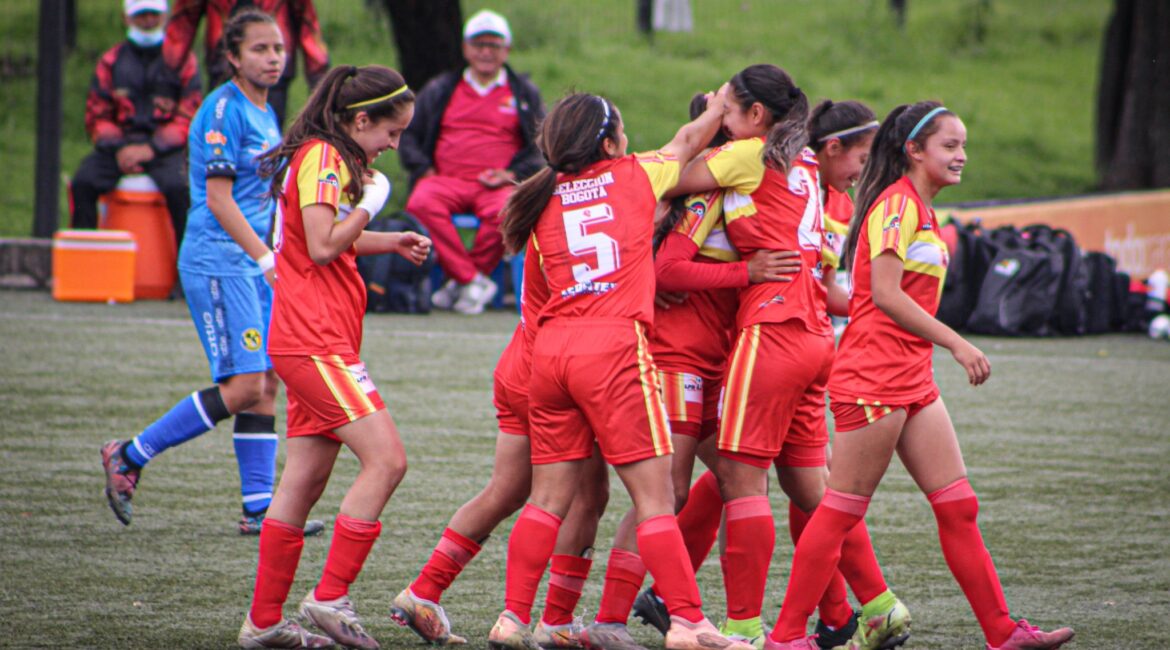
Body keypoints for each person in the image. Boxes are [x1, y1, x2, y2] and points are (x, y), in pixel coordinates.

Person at [765, 102, 1075, 650]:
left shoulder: (922, 211)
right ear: (914, 150)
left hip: (912, 378)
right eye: (950, 146)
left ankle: (1004, 634)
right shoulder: (896, 205)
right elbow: (883, 295)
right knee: (839, 512)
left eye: (962, 145)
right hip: (872, 379)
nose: (961, 156)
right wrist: (955, 342)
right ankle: (785, 638)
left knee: (959, 506)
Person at [487, 89, 752, 650]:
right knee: (657, 499)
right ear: (608, 143)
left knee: (547, 500)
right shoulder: (634, 175)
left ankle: (512, 619)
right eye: (623, 133)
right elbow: (686, 143)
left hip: (552, 352)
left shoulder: (541, 198)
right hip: (612, 348)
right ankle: (688, 623)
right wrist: (715, 107)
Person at [656, 65, 900, 649]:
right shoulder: (810, 168)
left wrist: (707, 122)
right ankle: (880, 606)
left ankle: (741, 628)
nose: (727, 121)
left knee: (739, 485)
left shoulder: (751, 153)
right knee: (813, 490)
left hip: (772, 330)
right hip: (817, 335)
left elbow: (668, 177)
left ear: (754, 116)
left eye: (732, 110)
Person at [99, 9, 324, 539]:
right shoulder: (223, 110)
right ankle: (130, 455)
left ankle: (259, 508)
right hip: (219, 259)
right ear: (232, 57)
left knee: (265, 382)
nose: (273, 58)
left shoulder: (266, 112)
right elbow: (220, 200)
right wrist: (268, 259)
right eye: (260, 50)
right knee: (245, 385)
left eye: (278, 49)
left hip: (249, 262)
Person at [587, 95, 800, 650]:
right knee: (668, 489)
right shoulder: (705, 195)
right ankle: (609, 619)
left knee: (737, 478)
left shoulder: (747, 192)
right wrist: (746, 272)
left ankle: (681, 602)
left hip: (715, 360)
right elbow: (665, 269)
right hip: (678, 358)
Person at [237, 63, 431, 649]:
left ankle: (263, 625)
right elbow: (323, 246)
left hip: (317, 338)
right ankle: (329, 597)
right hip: (314, 340)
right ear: (360, 119)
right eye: (389, 134)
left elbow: (318, 238)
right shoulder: (324, 156)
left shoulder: (332, 159)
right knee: (388, 461)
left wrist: (388, 239)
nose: (393, 147)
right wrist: (373, 206)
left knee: (303, 482)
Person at [389, 239, 610, 649]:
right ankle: (552, 621)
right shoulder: (590, 204)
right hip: (558, 371)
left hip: (520, 360)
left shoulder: (550, 208)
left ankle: (423, 591)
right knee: (583, 499)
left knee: (506, 490)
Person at [399, 9, 546, 315]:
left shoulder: (523, 93)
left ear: (506, 50)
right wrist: (425, 170)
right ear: (465, 49)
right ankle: (472, 280)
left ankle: (462, 281)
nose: (486, 52)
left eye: (494, 45)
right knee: (421, 201)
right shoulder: (441, 89)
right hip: (445, 180)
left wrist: (511, 173)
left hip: (497, 185)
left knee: (508, 210)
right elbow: (408, 135)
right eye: (479, 45)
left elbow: (542, 145)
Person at [71, 0, 200, 250]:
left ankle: (184, 277)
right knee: (83, 182)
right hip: (119, 146)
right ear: (126, 18)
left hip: (166, 149)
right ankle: (85, 267)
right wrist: (120, 148)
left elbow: (189, 115)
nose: (149, 20)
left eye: (154, 14)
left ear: (165, 16)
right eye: (141, 15)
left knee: (182, 189)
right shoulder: (111, 61)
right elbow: (97, 115)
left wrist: (152, 147)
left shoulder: (183, 61)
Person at [163, 0, 331, 126]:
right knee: (223, 129)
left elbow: (308, 26)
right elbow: (182, 24)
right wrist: (167, 81)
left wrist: (320, 82)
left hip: (274, 80)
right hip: (223, 68)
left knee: (267, 142)